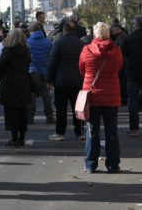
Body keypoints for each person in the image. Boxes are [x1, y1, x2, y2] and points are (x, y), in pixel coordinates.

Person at [79, 21, 123, 174]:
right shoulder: (116, 50)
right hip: (111, 95)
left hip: (92, 96)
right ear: (108, 34)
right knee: (111, 131)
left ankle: (91, 164)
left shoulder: (86, 50)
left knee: (92, 131)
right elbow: (119, 67)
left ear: (94, 34)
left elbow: (82, 68)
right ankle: (112, 165)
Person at [46, 18, 85, 141]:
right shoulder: (81, 44)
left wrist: (49, 80)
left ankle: (60, 132)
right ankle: (80, 132)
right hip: (78, 81)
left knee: (61, 108)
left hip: (61, 80)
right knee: (78, 108)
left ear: (64, 30)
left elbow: (52, 63)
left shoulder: (58, 43)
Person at [0, 28, 31, 147]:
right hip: (23, 83)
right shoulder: (26, 51)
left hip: (9, 84)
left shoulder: (8, 51)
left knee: (11, 112)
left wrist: (3, 78)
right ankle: (22, 138)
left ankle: (14, 138)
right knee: (22, 111)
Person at [27, 22, 54, 124]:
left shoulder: (27, 42)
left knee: (32, 94)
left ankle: (30, 117)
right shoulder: (48, 43)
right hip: (45, 71)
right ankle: (49, 117)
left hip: (32, 71)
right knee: (46, 94)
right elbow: (51, 58)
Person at [110, 22, 129, 105]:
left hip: (123, 63)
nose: (111, 32)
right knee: (122, 81)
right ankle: (123, 98)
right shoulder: (121, 36)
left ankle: (123, 99)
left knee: (122, 82)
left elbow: (120, 50)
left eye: (112, 30)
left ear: (117, 30)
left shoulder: (122, 37)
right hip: (123, 62)